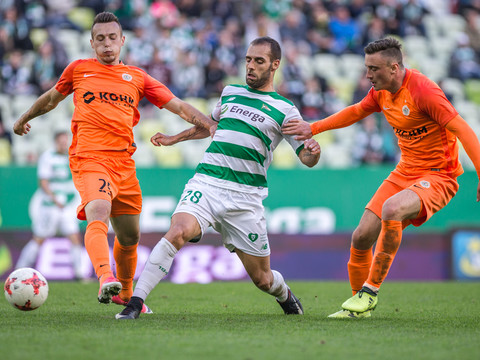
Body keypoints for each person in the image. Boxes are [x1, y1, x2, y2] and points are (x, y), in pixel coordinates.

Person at [13, 12, 215, 313]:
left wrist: (207, 123)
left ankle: (125, 294)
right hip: (89, 157)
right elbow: (52, 99)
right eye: (100, 39)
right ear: (92, 43)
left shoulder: (137, 77)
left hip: (124, 163)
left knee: (130, 235)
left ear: (122, 41)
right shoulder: (79, 70)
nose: (107, 44)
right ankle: (105, 276)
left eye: (112, 38)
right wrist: (24, 118)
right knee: (98, 211)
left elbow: (177, 104)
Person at [115, 36, 321, 320]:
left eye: (258, 61)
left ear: (275, 65)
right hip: (208, 181)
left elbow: (306, 158)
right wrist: (175, 138)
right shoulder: (230, 93)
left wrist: (314, 150)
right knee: (177, 231)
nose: (250, 66)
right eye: (248, 59)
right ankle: (135, 303)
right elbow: (210, 127)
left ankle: (284, 293)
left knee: (263, 279)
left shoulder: (285, 110)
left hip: (246, 197)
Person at [282, 37, 480, 318]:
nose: (367, 75)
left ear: (394, 68)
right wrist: (313, 127)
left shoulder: (424, 92)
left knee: (392, 209)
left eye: (373, 69)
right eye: (367, 67)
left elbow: (464, 129)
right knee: (361, 236)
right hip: (404, 172)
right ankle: (357, 309)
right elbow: (355, 112)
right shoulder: (381, 92)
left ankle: (370, 292)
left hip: (439, 175)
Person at [16, 131, 83, 280]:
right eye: (61, 141)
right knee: (39, 238)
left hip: (65, 207)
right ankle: (20, 268)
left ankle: (79, 273)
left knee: (74, 237)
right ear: (55, 142)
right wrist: (54, 199)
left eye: (65, 141)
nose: (63, 144)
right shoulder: (48, 157)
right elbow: (43, 182)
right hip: (50, 206)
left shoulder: (71, 157)